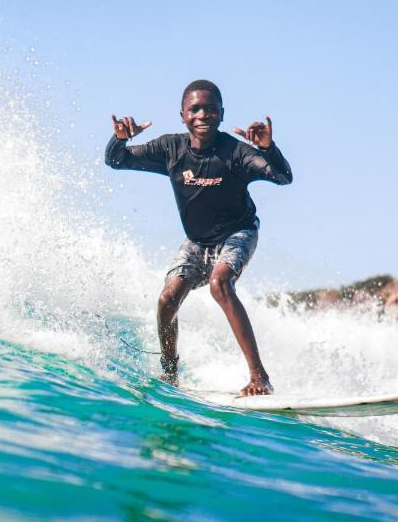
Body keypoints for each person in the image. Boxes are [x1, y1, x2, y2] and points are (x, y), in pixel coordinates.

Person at [105, 80, 292, 396]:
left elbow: (282, 177)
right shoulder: (170, 149)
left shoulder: (236, 153)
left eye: (210, 108)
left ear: (221, 114)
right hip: (197, 241)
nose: (202, 114)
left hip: (238, 232)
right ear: (182, 115)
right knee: (167, 299)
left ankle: (260, 378)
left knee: (220, 283)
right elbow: (116, 159)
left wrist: (267, 148)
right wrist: (119, 139)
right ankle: (170, 373)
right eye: (195, 109)